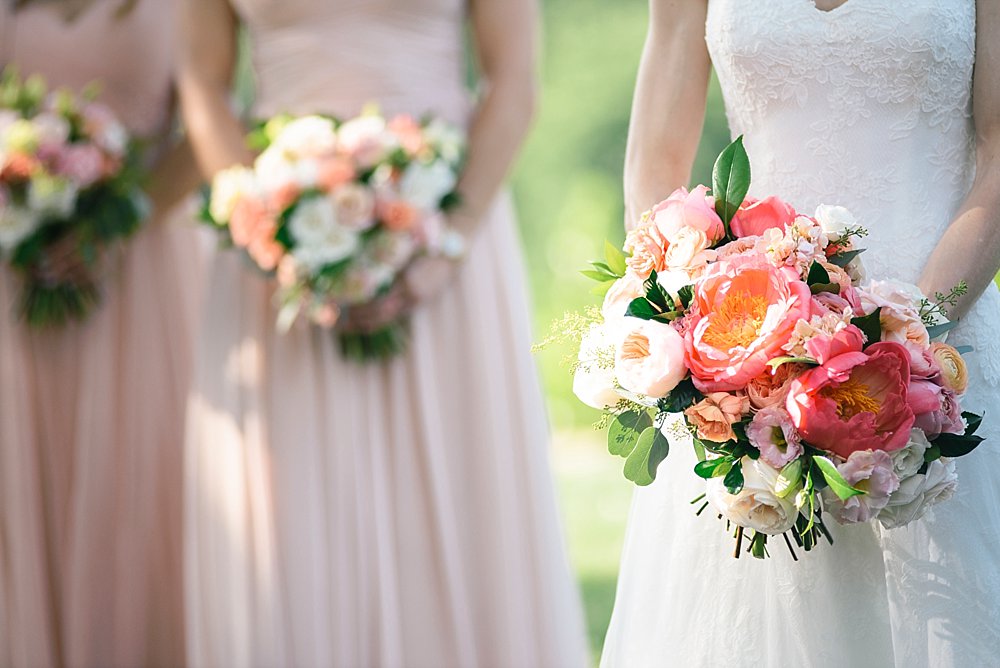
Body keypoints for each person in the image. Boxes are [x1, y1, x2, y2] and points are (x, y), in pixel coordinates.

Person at [177, 0, 589, 665]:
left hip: (446, 239)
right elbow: (202, 82)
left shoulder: (446, 246)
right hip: (272, 260)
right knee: (293, 519)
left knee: (452, 505)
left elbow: (513, 79)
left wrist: (443, 246)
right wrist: (270, 234)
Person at [601, 1, 1000, 666]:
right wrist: (702, 327)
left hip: (943, 342)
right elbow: (655, 163)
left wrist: (910, 344)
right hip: (748, 351)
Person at [0, 1, 202, 666]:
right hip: (14, 273)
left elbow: (209, 126)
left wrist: (120, 222)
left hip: (139, 276)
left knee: (140, 484)